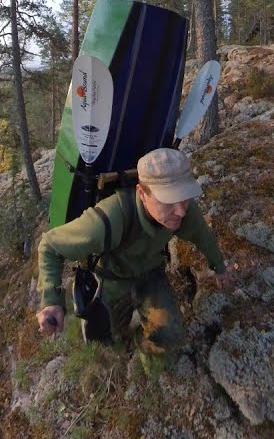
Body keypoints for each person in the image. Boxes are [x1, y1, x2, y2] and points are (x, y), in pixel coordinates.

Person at [35, 147, 232, 366]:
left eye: (184, 197)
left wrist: (219, 266)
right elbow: (50, 246)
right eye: (168, 200)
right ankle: (117, 338)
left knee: (169, 336)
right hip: (111, 280)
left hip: (150, 272)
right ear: (141, 193)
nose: (181, 211)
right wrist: (51, 301)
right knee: (104, 343)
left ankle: (146, 364)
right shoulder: (106, 220)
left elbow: (201, 235)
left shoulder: (182, 211)